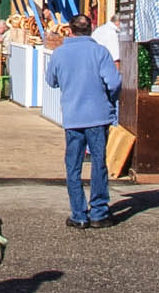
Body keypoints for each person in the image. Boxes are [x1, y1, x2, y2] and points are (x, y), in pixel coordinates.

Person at [44, 13, 122, 229]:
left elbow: (51, 81)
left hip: (73, 116)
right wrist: (108, 99)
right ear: (90, 28)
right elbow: (114, 82)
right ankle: (98, 212)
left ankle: (78, 214)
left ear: (70, 30)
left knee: (73, 166)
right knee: (99, 163)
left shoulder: (60, 54)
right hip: (98, 115)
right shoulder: (100, 52)